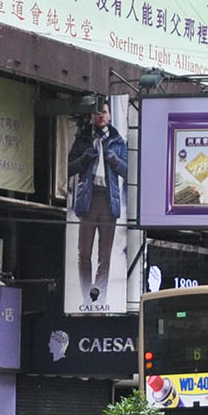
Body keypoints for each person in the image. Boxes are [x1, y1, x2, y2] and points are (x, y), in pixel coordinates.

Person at [69, 104, 127, 307]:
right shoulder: (83, 139)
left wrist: (116, 161)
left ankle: (99, 298)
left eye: (104, 112)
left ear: (110, 115)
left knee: (105, 256)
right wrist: (83, 161)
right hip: (88, 198)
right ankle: (86, 297)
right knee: (83, 253)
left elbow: (128, 171)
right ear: (92, 116)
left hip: (108, 200)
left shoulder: (118, 141)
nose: (100, 116)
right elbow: (68, 167)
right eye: (97, 113)